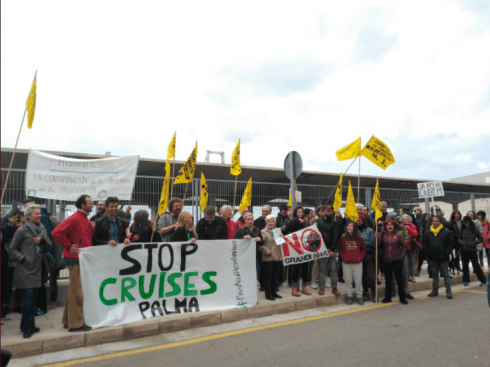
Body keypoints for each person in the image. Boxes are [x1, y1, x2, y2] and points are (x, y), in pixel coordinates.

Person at [51, 194, 95, 332]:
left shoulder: (83, 219)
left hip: (78, 258)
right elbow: (56, 232)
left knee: (74, 291)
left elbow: (84, 238)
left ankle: (68, 320)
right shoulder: (76, 218)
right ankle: (76, 324)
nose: (92, 205)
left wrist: (92, 228)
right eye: (90, 203)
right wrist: (69, 245)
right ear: (83, 205)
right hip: (75, 259)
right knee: (78, 292)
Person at [9, 204, 52, 338]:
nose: (39, 215)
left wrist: (42, 240)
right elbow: (12, 248)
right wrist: (22, 258)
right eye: (36, 213)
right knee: (28, 300)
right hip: (26, 270)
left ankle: (28, 325)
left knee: (32, 300)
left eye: (40, 213)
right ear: (28, 216)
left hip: (38, 269)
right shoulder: (22, 230)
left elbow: (49, 244)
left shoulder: (42, 228)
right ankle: (27, 329)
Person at [423, 216, 455, 299]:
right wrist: (428, 252)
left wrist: (446, 252)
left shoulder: (447, 232)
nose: (435, 222)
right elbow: (425, 244)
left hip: (443, 258)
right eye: (434, 221)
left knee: (445, 274)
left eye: (437, 221)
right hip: (433, 257)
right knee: (434, 275)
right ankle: (435, 291)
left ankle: (448, 291)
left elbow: (451, 243)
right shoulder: (428, 232)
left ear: (440, 222)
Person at [379, 219, 408, 304]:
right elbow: (378, 245)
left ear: (394, 226)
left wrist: (401, 256)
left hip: (397, 260)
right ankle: (388, 297)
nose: (389, 226)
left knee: (399, 279)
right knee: (388, 280)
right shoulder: (382, 234)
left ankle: (402, 298)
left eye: (391, 224)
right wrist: (377, 238)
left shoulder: (398, 234)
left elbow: (404, 246)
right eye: (387, 225)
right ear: (385, 226)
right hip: (386, 260)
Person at [338, 221, 366, 305]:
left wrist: (360, 257)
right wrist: (344, 258)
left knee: (358, 281)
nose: (349, 228)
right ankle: (349, 296)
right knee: (348, 281)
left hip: (357, 263)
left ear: (354, 228)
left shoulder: (359, 238)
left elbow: (363, 249)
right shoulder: (343, 238)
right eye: (348, 226)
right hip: (347, 263)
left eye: (351, 226)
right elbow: (340, 249)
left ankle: (359, 296)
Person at [285, 207, 311, 297]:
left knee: (305, 268)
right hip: (296, 248)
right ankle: (294, 288)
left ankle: (304, 287)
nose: (300, 213)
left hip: (305, 248)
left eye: (302, 211)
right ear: (296, 213)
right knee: (296, 268)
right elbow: (286, 228)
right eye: (299, 211)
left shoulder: (306, 221)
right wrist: (297, 222)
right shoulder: (293, 221)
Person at [316, 205, 341, 296]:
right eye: (328, 211)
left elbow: (336, 236)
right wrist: (314, 226)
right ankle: (321, 287)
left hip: (331, 249)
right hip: (321, 249)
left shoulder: (335, 222)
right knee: (322, 269)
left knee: (333, 269)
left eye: (331, 211)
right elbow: (315, 234)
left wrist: (332, 249)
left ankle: (334, 287)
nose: (330, 213)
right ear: (323, 212)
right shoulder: (318, 221)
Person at [259, 214, 283, 301]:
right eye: (269, 221)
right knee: (268, 277)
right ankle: (268, 294)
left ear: (275, 222)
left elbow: (280, 243)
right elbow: (260, 246)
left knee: (275, 277)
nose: (271, 223)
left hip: (277, 257)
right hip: (268, 258)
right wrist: (268, 252)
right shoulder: (263, 231)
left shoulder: (277, 231)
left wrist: (282, 238)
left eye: (272, 221)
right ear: (266, 222)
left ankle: (274, 292)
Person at [459, 216, 486, 287]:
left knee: (476, 266)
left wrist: (474, 243)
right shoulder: (462, 230)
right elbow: (458, 239)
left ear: (470, 222)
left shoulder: (475, 230)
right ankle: (466, 280)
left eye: (467, 222)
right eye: (465, 223)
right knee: (465, 266)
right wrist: (462, 242)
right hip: (464, 251)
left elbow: (481, 239)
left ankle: (483, 280)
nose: (466, 224)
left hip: (472, 251)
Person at [358, 215, 376, 302]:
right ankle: (365, 293)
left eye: (359, 220)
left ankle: (374, 294)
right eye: (356, 220)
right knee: (362, 277)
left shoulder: (370, 230)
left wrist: (360, 242)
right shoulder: (355, 230)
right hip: (359, 256)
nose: (358, 221)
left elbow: (371, 241)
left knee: (370, 276)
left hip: (369, 256)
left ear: (363, 220)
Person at [400, 214, 418, 283]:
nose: (406, 220)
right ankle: (407, 276)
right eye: (405, 219)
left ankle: (412, 276)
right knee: (405, 262)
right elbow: (401, 235)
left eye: (407, 219)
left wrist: (408, 228)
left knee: (412, 261)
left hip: (412, 245)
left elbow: (415, 234)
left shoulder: (413, 226)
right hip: (404, 245)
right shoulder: (400, 226)